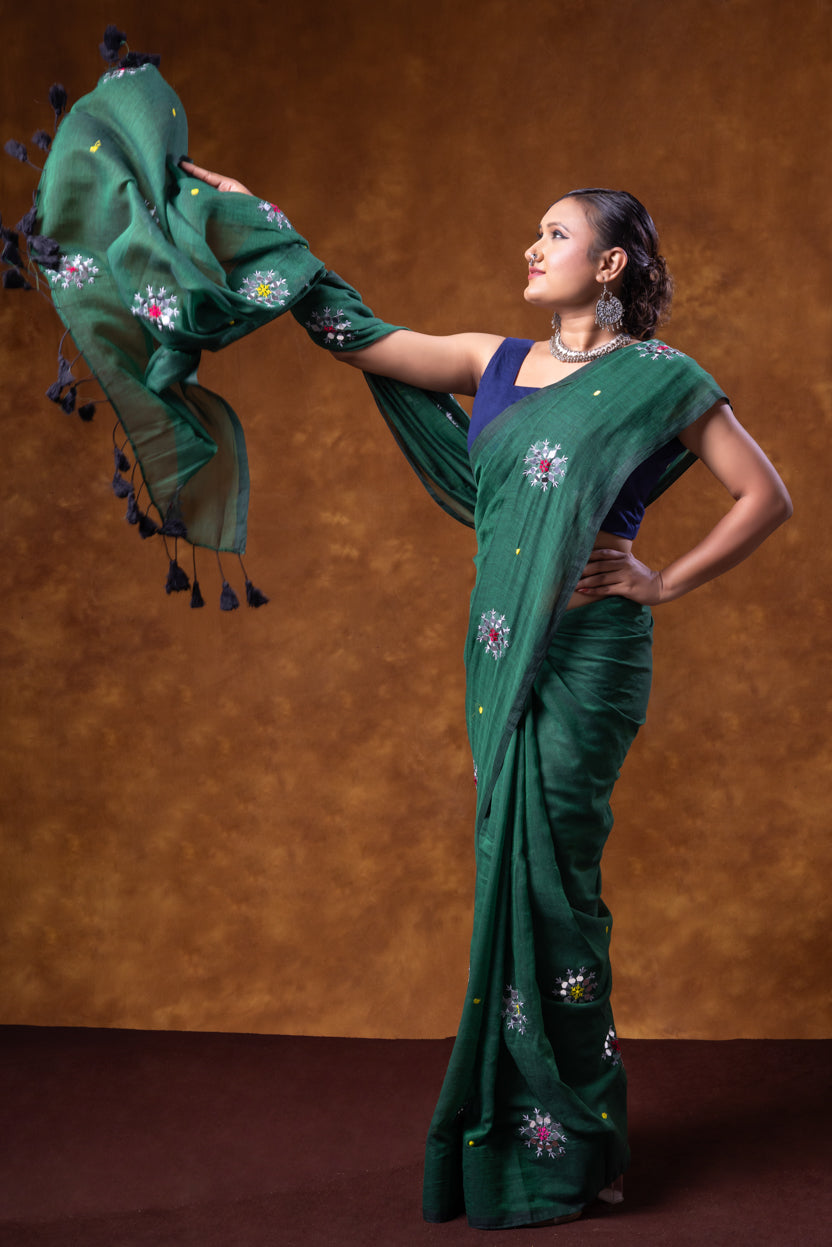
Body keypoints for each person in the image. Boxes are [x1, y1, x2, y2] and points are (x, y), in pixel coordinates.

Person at [181, 165, 793, 1228]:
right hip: (500, 650)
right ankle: (528, 1131)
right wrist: (254, 219)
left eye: (552, 233)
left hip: (590, 655)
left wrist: (662, 579)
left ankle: (583, 1131)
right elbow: (346, 329)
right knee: (512, 873)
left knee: (560, 883)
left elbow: (765, 493)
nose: (530, 246)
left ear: (607, 263)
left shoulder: (661, 378)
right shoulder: (489, 360)